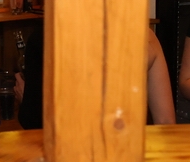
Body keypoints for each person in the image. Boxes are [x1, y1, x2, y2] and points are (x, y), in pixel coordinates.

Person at [13, 26, 176, 128]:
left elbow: (36, 125)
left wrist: (27, 97)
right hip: (130, 158)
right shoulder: (145, 36)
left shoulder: (47, 37)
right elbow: (166, 122)